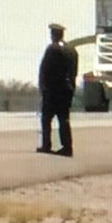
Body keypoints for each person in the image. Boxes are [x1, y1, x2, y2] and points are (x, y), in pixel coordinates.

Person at [37, 23, 78, 157]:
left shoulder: (52, 49)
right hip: (67, 90)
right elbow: (74, 72)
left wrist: (43, 86)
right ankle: (67, 147)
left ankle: (46, 145)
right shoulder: (72, 50)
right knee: (64, 119)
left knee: (46, 118)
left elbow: (46, 70)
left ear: (53, 34)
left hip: (54, 89)